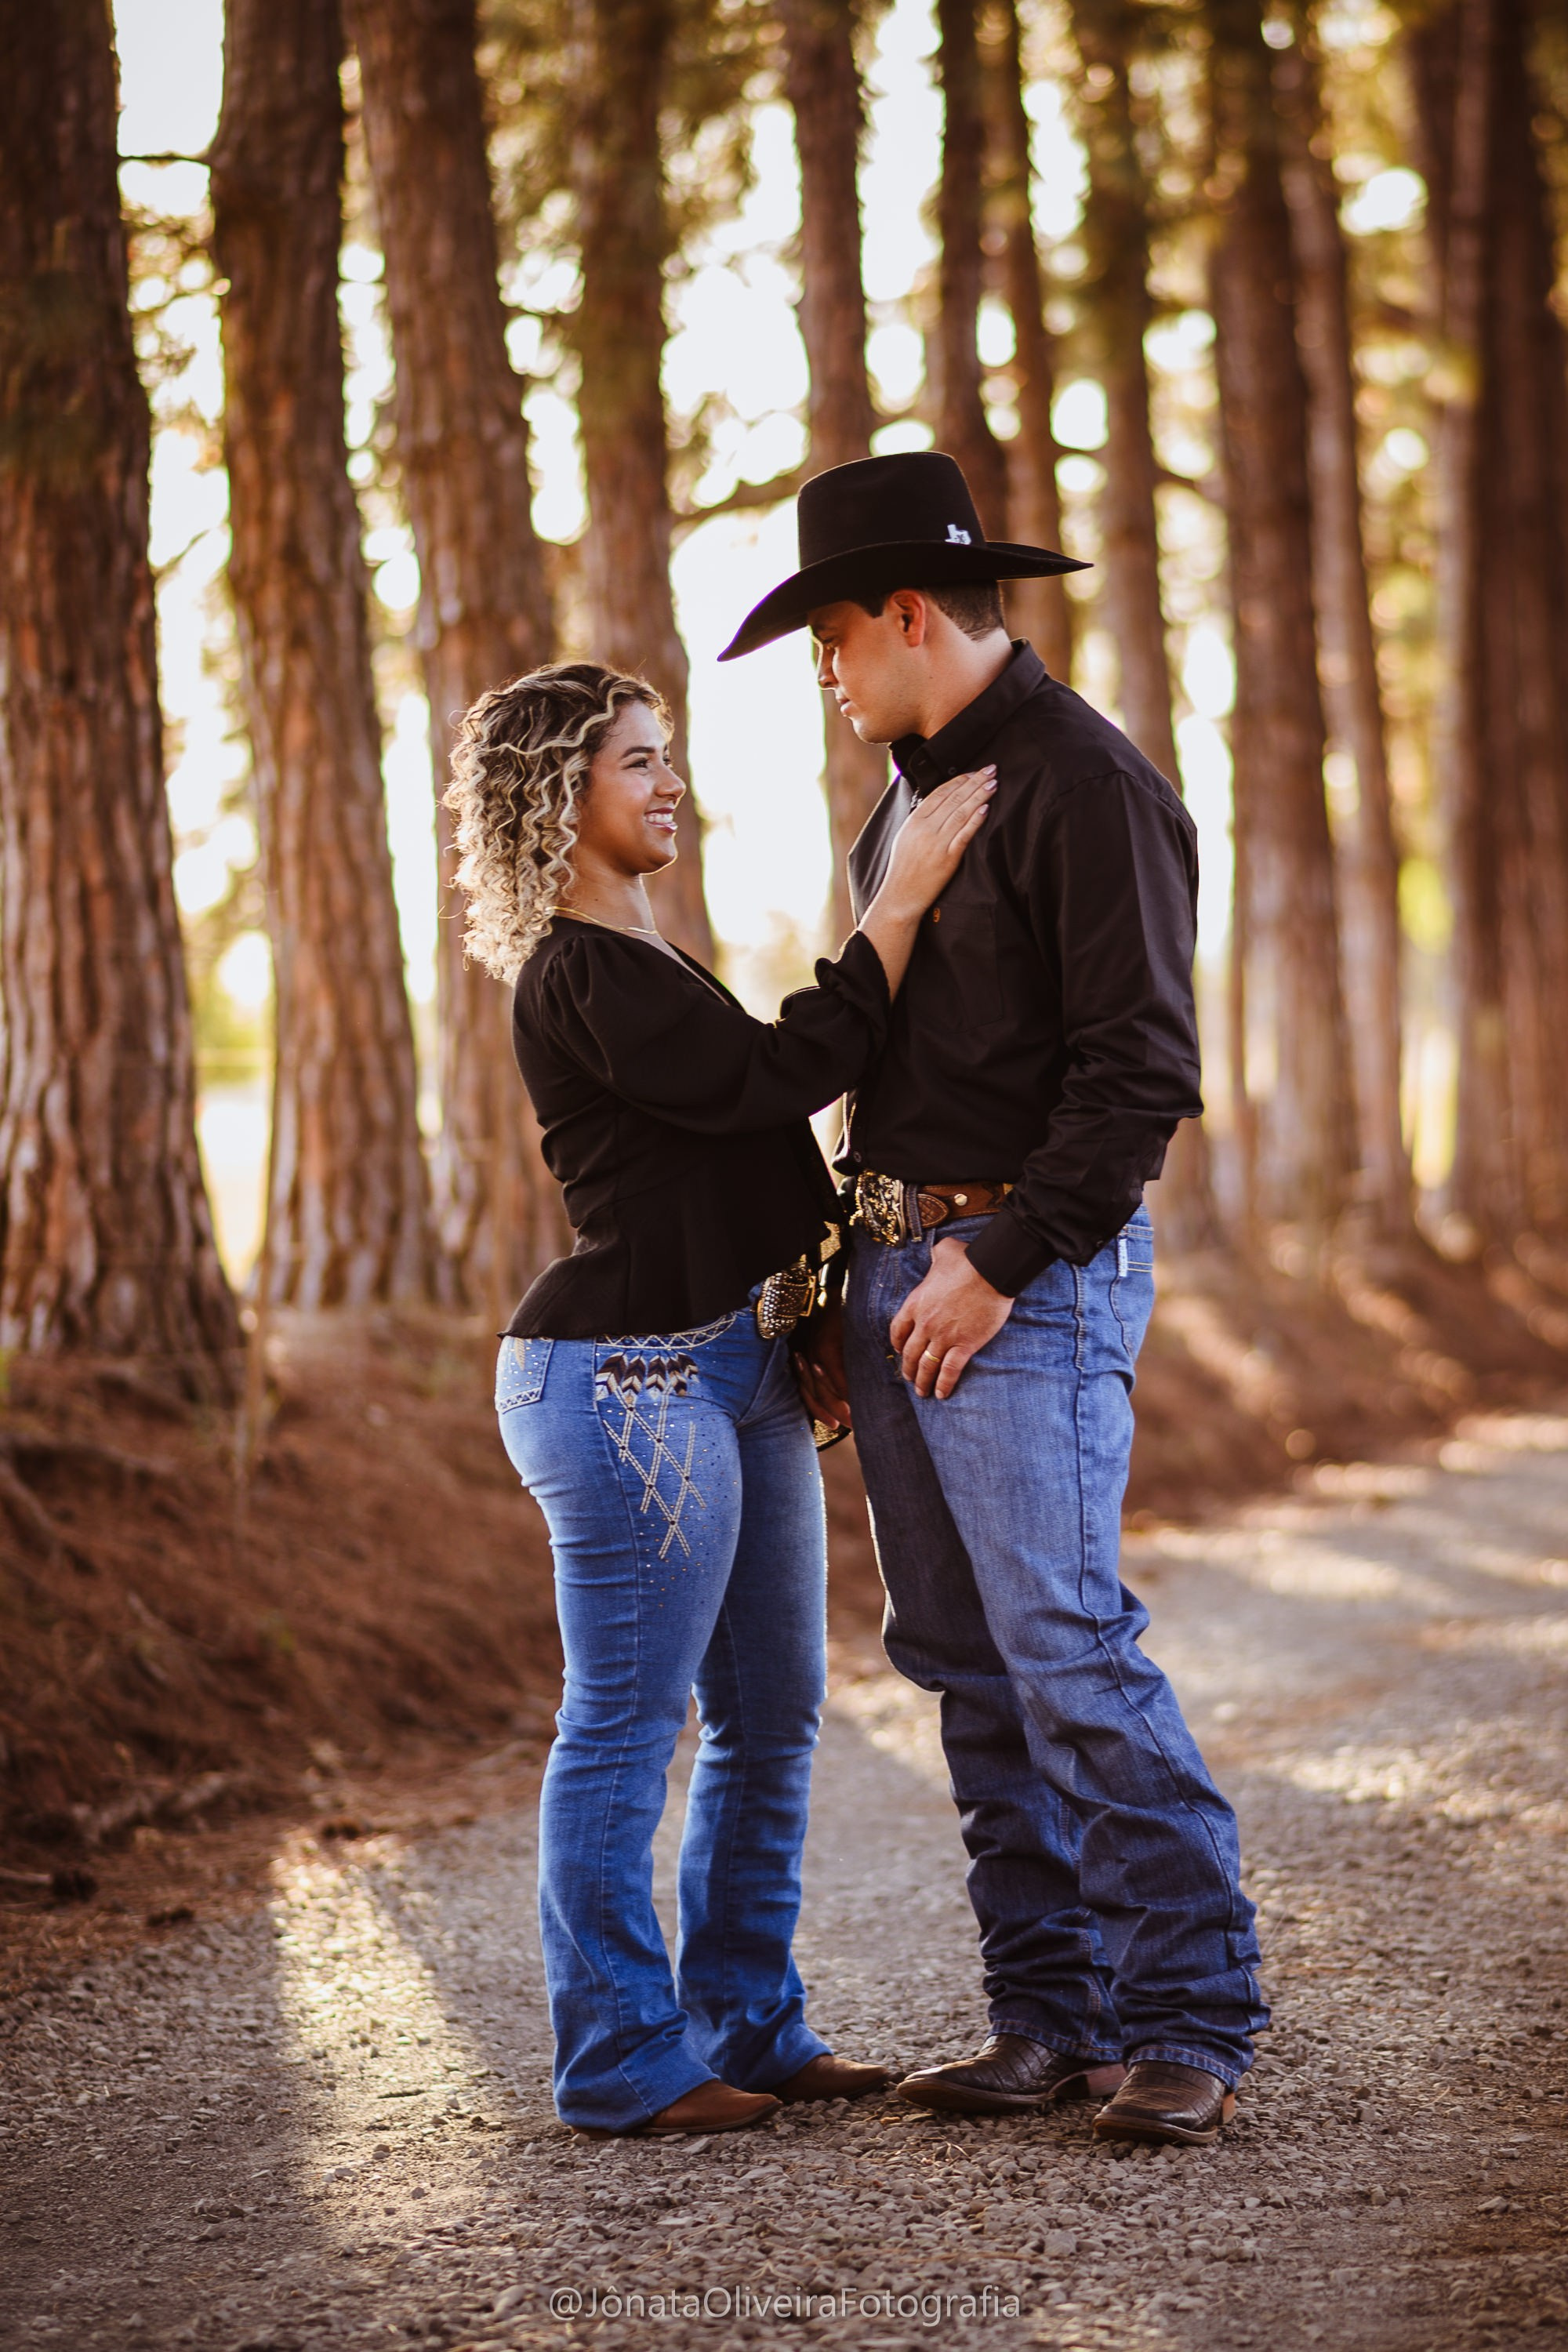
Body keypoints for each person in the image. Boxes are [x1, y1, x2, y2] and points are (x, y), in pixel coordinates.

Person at [720, 450, 1268, 2149]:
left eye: (826, 632)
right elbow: (886, 1057)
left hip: (1019, 1279)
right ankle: (1049, 2015)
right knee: (961, 1660)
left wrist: (994, 1261)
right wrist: (844, 1272)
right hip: (896, 1273)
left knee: (1064, 1649)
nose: (820, 666)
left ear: (903, 612)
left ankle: (1192, 2014)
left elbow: (1138, 1082)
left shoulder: (1084, 784)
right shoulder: (908, 791)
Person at [445, 658, 993, 2140]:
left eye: (668, 755)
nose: (669, 781)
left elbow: (748, 1162)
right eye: (637, 762)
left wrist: (803, 1304)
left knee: (775, 1715)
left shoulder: (648, 956)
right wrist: (902, 903)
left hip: (736, 1367)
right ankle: (621, 2056)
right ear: (558, 796)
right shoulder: (578, 967)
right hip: (622, 1377)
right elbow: (776, 1082)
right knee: (628, 1724)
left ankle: (748, 2023)